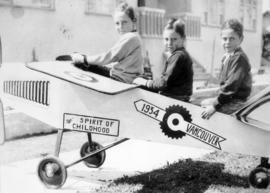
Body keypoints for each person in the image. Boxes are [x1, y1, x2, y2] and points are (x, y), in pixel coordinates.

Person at [71, 3, 144, 84]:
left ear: (134, 21)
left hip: (120, 78)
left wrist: (84, 59)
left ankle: (79, 58)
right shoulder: (134, 36)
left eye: (124, 22)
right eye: (117, 23)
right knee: (92, 64)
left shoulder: (131, 37)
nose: (120, 27)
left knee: (84, 65)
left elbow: (108, 57)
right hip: (124, 76)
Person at [201, 19, 252, 119]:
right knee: (203, 102)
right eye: (224, 39)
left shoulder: (239, 58)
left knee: (207, 111)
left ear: (241, 39)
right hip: (229, 98)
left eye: (232, 39)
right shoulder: (228, 57)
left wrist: (215, 106)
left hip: (237, 102)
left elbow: (231, 86)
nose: (227, 42)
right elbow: (225, 83)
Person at [133, 18, 193, 102]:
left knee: (138, 92)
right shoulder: (183, 54)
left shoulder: (178, 56)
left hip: (174, 99)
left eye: (174, 39)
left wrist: (146, 83)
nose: (169, 43)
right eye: (166, 39)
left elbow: (163, 84)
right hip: (180, 96)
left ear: (183, 39)